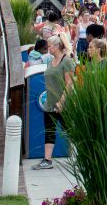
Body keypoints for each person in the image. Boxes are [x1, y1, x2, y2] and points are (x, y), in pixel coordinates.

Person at [32, 35, 76, 170]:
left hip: (63, 104)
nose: (48, 48)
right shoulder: (50, 61)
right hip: (49, 103)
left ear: (56, 46)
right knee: (49, 130)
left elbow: (69, 84)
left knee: (70, 130)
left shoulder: (67, 61)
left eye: (50, 46)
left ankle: (82, 156)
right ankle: (47, 160)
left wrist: (61, 102)